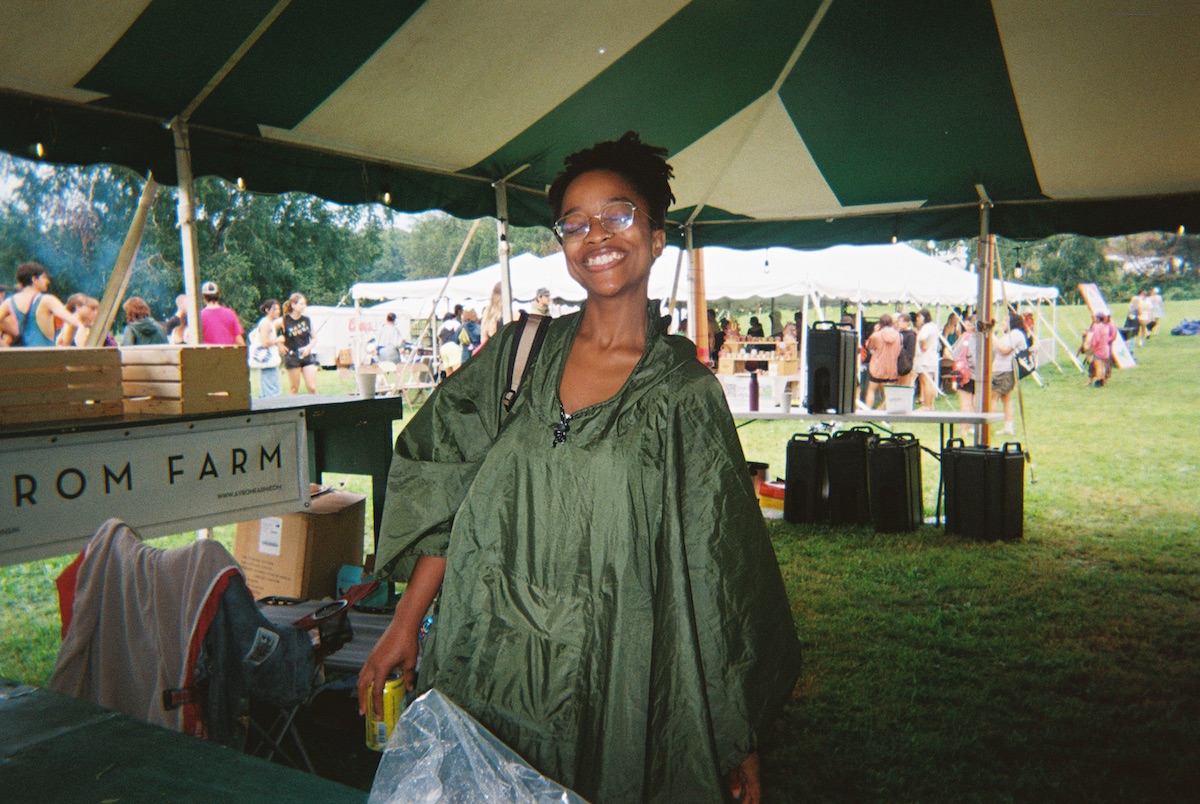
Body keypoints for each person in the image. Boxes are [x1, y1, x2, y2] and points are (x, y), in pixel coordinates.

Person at [357, 132, 800, 804]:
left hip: (612, 676)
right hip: (488, 662)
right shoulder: (517, 358)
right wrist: (403, 624)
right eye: (575, 222)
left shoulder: (683, 395)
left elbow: (718, 574)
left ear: (655, 238)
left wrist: (731, 735)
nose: (597, 234)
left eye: (619, 215)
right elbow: (447, 486)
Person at [0, 262, 83, 347]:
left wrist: (6, 343)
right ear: (34, 279)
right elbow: (73, 322)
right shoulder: (47, 300)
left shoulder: (9, 302)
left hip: (22, 357)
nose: (47, 281)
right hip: (46, 356)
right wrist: (65, 342)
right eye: (44, 277)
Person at [991, 312, 1028, 435]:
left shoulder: (1016, 334)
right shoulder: (1008, 335)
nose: (1002, 323)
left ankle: (987, 424)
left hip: (1004, 370)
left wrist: (993, 336)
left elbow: (1004, 350)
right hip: (1001, 369)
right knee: (1005, 398)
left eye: (1005, 320)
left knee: (993, 396)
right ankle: (1008, 425)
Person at [281, 292, 318, 394]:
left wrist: (308, 348)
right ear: (293, 305)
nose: (303, 306)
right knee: (294, 387)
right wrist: (280, 345)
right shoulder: (285, 320)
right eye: (301, 304)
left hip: (306, 355)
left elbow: (314, 338)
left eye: (304, 304)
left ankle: (315, 406)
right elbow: (276, 335)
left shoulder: (306, 320)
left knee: (312, 387)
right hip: (292, 356)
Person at [863, 314, 901, 409]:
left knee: (871, 390)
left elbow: (868, 346)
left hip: (877, 367)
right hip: (891, 367)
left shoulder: (877, 335)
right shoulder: (898, 335)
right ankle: (887, 412)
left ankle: (868, 411)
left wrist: (874, 331)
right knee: (888, 393)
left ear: (880, 323)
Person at [249, 299, 284, 398]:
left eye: (278, 309)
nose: (278, 311)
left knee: (267, 389)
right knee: (273, 391)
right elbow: (264, 343)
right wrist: (278, 340)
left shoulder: (270, 323)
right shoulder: (266, 323)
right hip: (267, 361)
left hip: (267, 361)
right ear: (267, 310)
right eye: (275, 309)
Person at [199, 281, 245, 346]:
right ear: (218, 295)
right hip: (227, 354)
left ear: (204, 297)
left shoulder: (199, 316)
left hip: (208, 354)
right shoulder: (230, 313)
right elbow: (239, 341)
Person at [952, 314, 978, 422]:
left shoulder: (966, 337)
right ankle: (973, 425)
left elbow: (955, 353)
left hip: (966, 373)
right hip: (980, 374)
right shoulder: (986, 338)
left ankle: (964, 427)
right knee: (975, 401)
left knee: (965, 401)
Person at [913, 308, 940, 410]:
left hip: (925, 359)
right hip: (931, 358)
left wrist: (923, 346)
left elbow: (922, 338)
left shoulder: (926, 327)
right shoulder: (933, 326)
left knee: (926, 382)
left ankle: (927, 405)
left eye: (919, 317)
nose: (917, 319)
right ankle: (930, 405)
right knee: (929, 381)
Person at [1085, 310, 1117, 387]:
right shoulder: (1106, 327)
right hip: (1105, 348)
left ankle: (1099, 380)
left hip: (1099, 348)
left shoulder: (1098, 327)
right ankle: (1102, 379)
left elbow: (1096, 338)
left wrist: (1092, 345)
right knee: (1102, 365)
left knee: (1098, 365)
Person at [436, 311, 462, 376]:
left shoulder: (441, 326)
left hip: (443, 349)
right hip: (453, 346)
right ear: (453, 318)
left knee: (449, 374)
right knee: (458, 372)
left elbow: (440, 341)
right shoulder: (456, 323)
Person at [895, 312, 917, 387]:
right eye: (898, 321)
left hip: (905, 363)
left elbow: (911, 352)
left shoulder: (910, 335)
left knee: (904, 385)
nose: (899, 323)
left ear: (907, 323)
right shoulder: (898, 333)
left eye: (901, 321)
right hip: (897, 362)